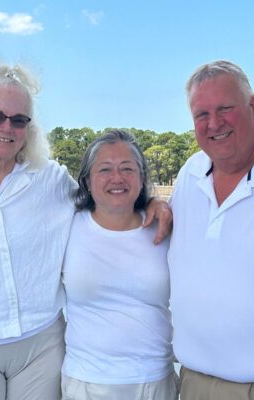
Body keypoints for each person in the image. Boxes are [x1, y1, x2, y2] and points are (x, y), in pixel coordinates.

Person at [0, 62, 171, 400]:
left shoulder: (50, 179)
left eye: (18, 120)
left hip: (41, 343)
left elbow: (106, 198)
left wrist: (152, 202)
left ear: (29, 128)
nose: (6, 127)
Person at [168, 60, 254, 400]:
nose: (214, 123)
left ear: (253, 106)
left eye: (225, 109)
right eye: (201, 114)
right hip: (193, 383)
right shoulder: (190, 174)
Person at [61, 130, 178, 400]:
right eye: (105, 169)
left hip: (153, 381)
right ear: (88, 180)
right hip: (85, 382)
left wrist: (159, 203)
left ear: (141, 178)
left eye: (127, 168)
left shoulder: (166, 227)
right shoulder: (67, 224)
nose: (117, 178)